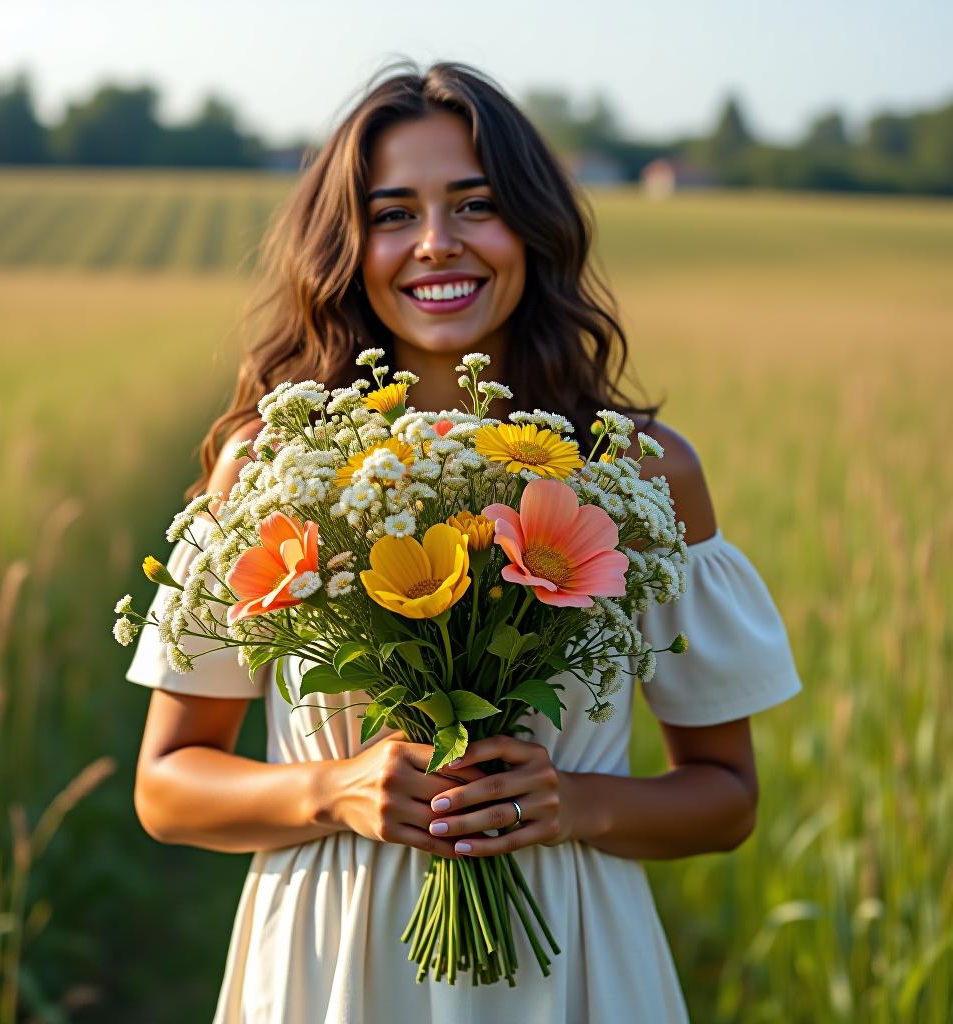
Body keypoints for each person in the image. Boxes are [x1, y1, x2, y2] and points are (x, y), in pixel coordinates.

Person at [125, 60, 803, 1023]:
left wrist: (576, 801)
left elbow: (727, 797)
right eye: (394, 214)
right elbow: (166, 787)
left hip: (570, 955)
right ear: (348, 247)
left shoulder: (643, 471)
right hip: (333, 955)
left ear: (532, 226)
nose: (437, 245)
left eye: (476, 205)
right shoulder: (270, 465)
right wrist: (334, 790)